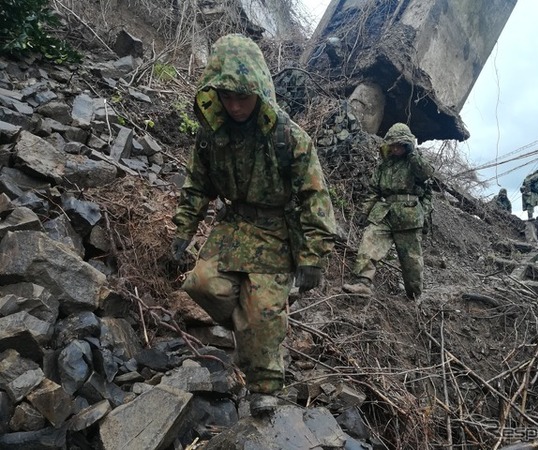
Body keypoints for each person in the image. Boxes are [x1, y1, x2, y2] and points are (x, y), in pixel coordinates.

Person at [170, 34, 336, 415]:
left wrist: (313, 257)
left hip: (277, 232)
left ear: (260, 91)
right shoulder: (212, 134)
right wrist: (183, 231)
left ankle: (265, 387)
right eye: (226, 97)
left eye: (242, 97)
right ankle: (254, 328)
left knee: (261, 310)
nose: (235, 105)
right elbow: (197, 184)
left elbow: (316, 198)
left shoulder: (289, 137)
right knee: (201, 284)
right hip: (234, 227)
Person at [342, 123, 434, 301]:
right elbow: (374, 190)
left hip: (409, 215)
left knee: (411, 262)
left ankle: (414, 295)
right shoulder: (384, 165)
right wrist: (364, 211)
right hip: (383, 212)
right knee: (369, 241)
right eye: (393, 144)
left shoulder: (415, 161)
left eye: (399, 144)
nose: (395, 148)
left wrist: (413, 153)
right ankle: (363, 282)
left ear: (407, 145)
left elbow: (426, 174)